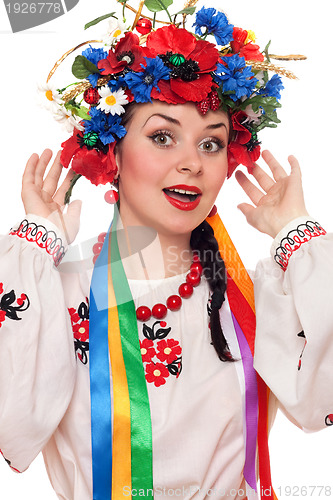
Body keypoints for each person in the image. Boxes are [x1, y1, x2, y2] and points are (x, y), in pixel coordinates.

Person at [0, 2, 333, 499]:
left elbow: (319, 403)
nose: (191, 164)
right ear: (111, 151)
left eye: (210, 144)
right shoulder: (58, 288)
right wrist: (33, 250)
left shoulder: (256, 294)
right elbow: (12, 423)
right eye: (162, 136)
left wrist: (300, 238)